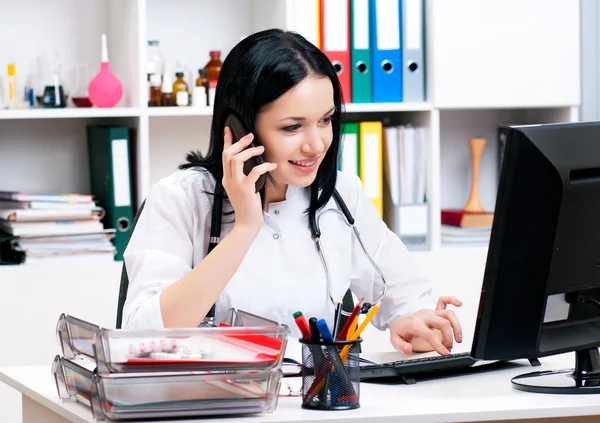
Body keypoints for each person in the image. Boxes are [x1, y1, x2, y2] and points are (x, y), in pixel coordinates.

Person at [122, 28, 462, 356]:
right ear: (240, 128)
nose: (316, 145)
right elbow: (140, 336)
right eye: (292, 127)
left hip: (318, 407)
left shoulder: (342, 194)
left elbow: (407, 298)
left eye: (326, 120)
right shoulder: (180, 199)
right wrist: (244, 228)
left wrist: (416, 323)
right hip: (217, 409)